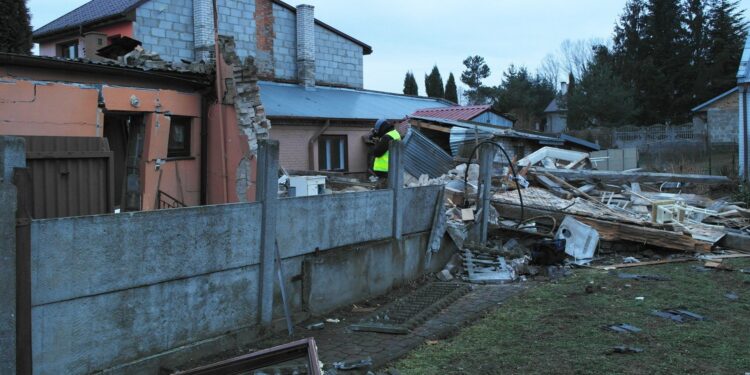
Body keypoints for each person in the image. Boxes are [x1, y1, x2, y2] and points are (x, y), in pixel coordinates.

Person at [371, 118, 401, 186]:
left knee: (384, 193)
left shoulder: (387, 137)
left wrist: (377, 143)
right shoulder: (395, 133)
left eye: (378, 130)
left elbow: (377, 153)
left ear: (382, 128)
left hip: (385, 171)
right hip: (393, 169)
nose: (378, 132)